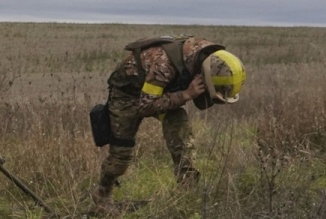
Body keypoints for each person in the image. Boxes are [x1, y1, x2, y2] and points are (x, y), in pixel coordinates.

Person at [94, 35, 246, 206]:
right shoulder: (163, 66)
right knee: (121, 157)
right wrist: (186, 95)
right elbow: (145, 105)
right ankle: (101, 198)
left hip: (159, 92)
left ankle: (186, 193)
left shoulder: (208, 57)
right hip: (129, 97)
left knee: (179, 123)